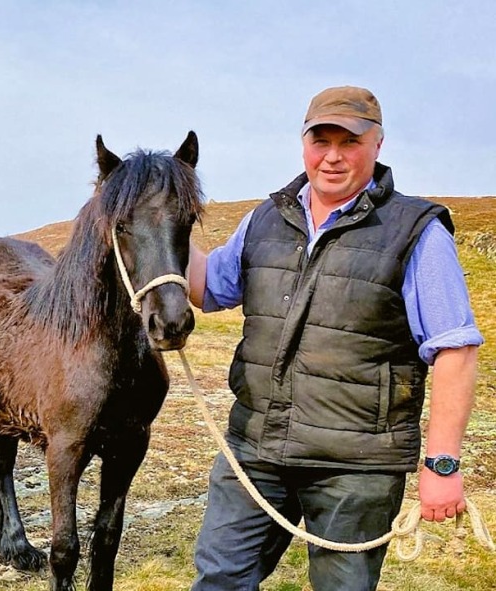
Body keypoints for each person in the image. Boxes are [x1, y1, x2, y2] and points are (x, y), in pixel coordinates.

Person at [187, 86, 483, 591]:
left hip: (356, 468)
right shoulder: (264, 219)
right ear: (303, 143)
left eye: (350, 142)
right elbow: (208, 288)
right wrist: (166, 216)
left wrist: (442, 465)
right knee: (219, 581)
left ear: (377, 144)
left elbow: (456, 349)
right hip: (255, 450)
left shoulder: (416, 231)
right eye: (320, 141)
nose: (332, 156)